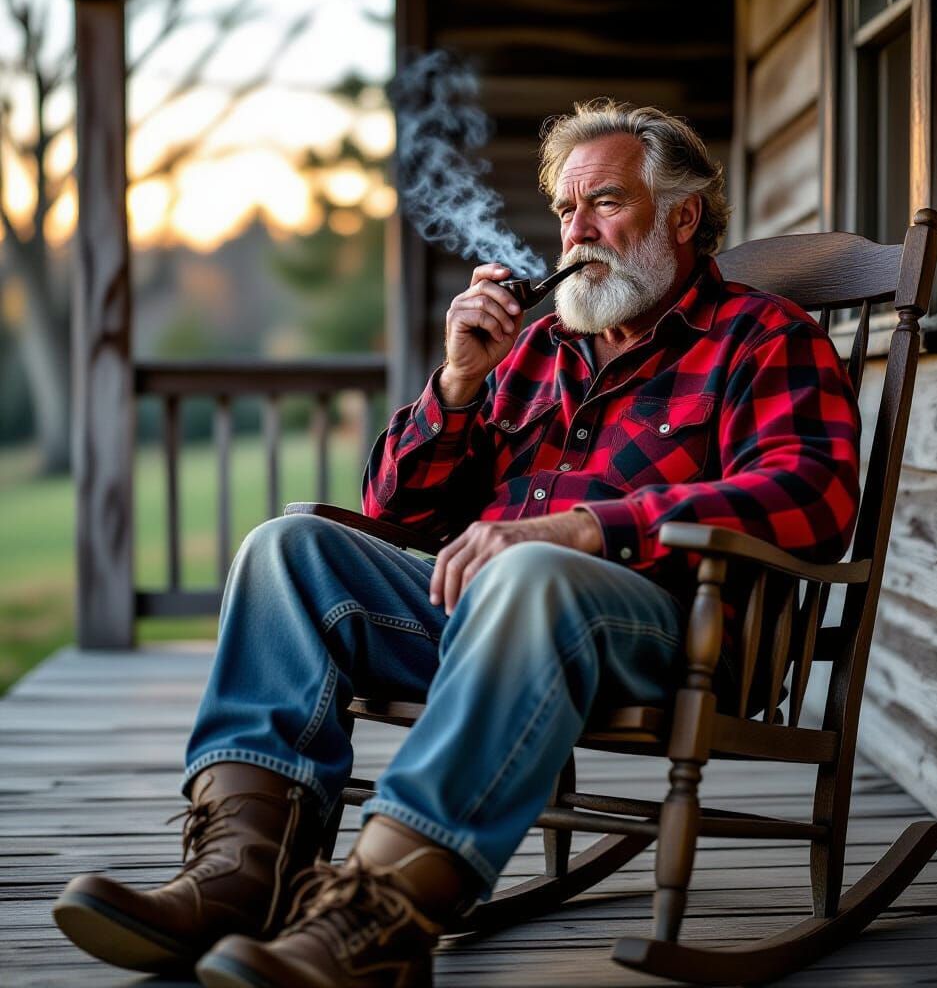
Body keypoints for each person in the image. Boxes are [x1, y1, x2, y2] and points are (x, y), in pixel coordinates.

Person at [53, 100, 861, 988]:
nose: (576, 230)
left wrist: (588, 527)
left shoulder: (761, 336)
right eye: (564, 210)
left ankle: (382, 913)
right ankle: (242, 874)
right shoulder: (538, 345)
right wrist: (459, 384)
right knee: (287, 549)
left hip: (670, 632)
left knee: (537, 571)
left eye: (606, 204)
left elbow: (811, 493)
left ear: (681, 216)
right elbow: (393, 513)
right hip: (488, 619)